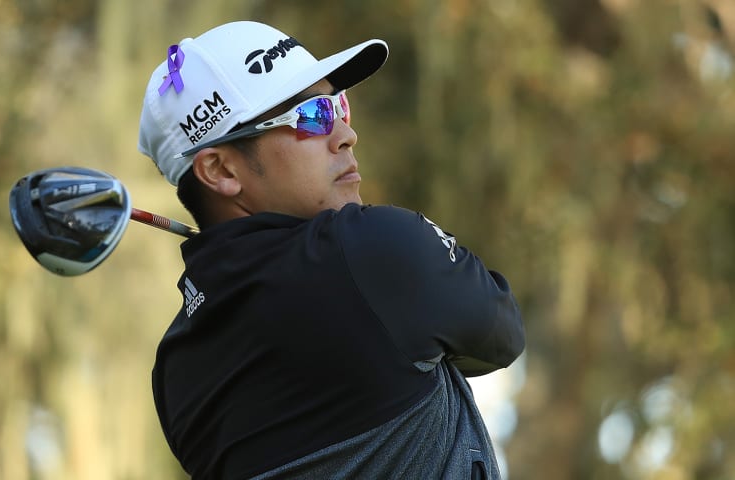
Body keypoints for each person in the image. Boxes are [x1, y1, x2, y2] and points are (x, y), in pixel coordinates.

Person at [138, 21, 525, 480]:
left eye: (340, 105)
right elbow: (501, 336)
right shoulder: (371, 250)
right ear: (221, 170)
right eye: (312, 115)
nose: (344, 133)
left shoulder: (175, 370)